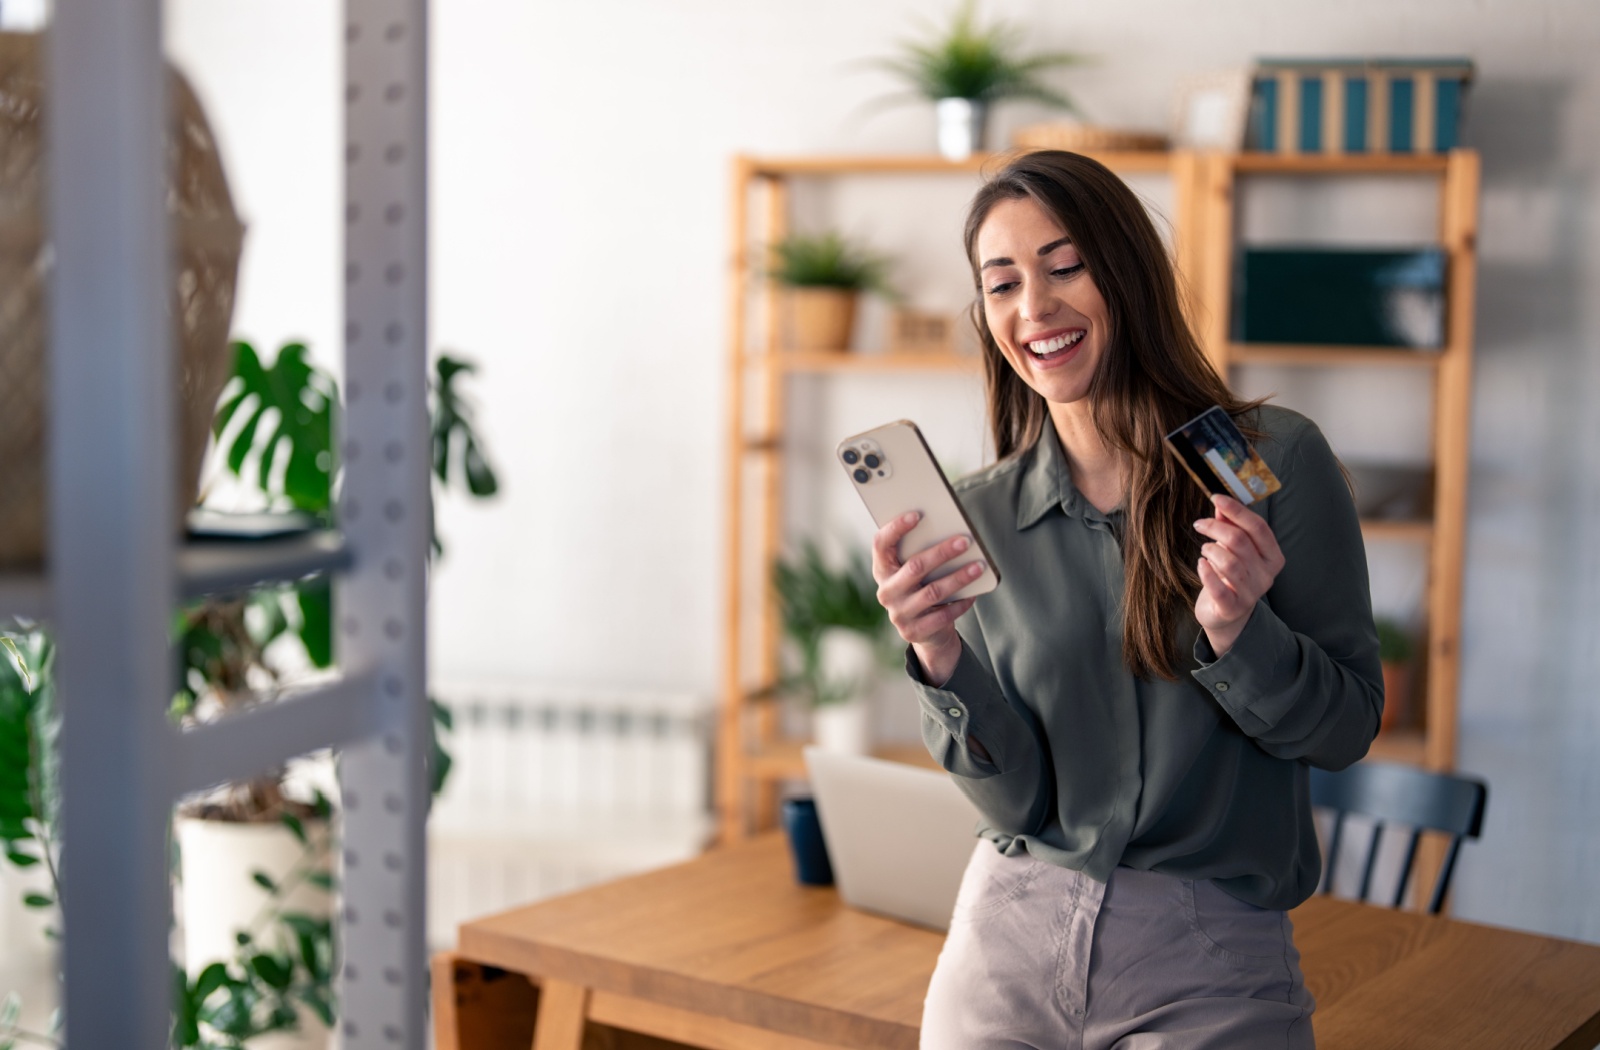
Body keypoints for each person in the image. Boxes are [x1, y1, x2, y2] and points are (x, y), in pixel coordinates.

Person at [870, 150, 1382, 1050]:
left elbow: (1344, 733)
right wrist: (941, 662)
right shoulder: (979, 515)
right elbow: (1016, 807)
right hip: (1005, 942)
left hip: (1208, 957)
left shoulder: (1275, 463)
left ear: (1130, 274)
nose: (1036, 308)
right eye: (1003, 285)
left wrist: (1239, 634)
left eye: (1067, 267)